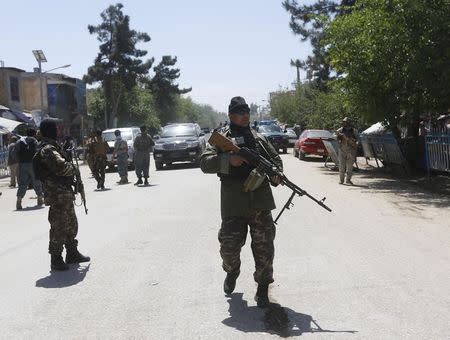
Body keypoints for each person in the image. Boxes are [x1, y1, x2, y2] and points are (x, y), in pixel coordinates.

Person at [200, 96, 283, 308]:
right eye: (241, 112)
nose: (246, 115)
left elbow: (276, 162)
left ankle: (263, 288)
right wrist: (229, 160)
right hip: (233, 204)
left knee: (264, 249)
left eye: (247, 112)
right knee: (229, 250)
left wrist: (276, 175)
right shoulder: (221, 138)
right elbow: (204, 163)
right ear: (231, 115)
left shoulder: (259, 138)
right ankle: (232, 271)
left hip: (260, 202)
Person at [33, 119, 90, 271]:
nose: (58, 131)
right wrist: (73, 167)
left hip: (64, 193)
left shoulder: (54, 147)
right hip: (57, 194)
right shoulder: (48, 149)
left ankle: (72, 252)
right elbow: (62, 167)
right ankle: (56, 258)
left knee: (71, 223)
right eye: (55, 129)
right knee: (59, 225)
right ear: (50, 130)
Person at [16, 127, 44, 210]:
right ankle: (40, 199)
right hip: (33, 164)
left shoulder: (19, 141)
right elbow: (38, 152)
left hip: (22, 164)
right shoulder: (35, 141)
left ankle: (19, 201)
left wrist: (20, 162)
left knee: (23, 183)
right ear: (34, 134)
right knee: (36, 181)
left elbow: (15, 152)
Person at [336, 117, 358, 185]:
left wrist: (353, 142)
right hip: (342, 150)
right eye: (344, 122)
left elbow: (357, 140)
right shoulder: (340, 130)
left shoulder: (354, 131)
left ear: (349, 123)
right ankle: (341, 180)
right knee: (341, 166)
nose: (344, 123)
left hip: (351, 151)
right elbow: (334, 135)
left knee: (350, 167)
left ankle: (348, 180)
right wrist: (339, 136)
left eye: (346, 122)